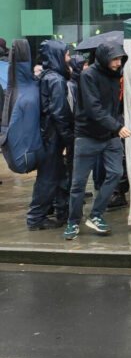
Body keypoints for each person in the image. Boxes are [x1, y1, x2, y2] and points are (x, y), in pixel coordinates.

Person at [64, 41, 131, 240]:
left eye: (120, 58)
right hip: (88, 135)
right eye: (115, 58)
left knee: (116, 173)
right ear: (104, 58)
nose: (118, 62)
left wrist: (117, 124)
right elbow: (94, 108)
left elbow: (113, 105)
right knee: (78, 183)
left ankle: (95, 215)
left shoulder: (115, 75)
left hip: (109, 135)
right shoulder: (88, 75)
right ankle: (73, 222)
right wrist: (118, 126)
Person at [28, 40, 73, 230]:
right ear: (57, 56)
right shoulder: (55, 80)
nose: (69, 58)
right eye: (66, 54)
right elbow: (59, 112)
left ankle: (58, 213)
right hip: (52, 137)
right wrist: (68, 138)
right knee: (48, 178)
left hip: (47, 135)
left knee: (54, 176)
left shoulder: (45, 76)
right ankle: (36, 218)